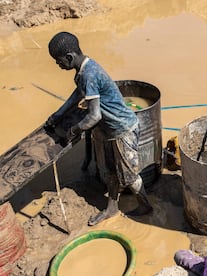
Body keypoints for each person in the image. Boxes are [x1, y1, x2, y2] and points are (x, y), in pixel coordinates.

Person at [45, 31, 153, 225]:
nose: (57, 65)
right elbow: (77, 96)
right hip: (110, 131)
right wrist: (58, 115)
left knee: (128, 177)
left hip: (123, 129)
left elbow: (94, 116)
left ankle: (146, 206)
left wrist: (74, 130)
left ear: (69, 57)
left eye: (58, 61)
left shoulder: (89, 74)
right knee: (111, 170)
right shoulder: (83, 71)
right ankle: (112, 208)